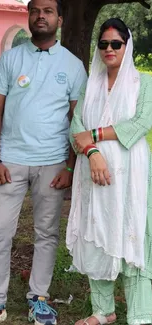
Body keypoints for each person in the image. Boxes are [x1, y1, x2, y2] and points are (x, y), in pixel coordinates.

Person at [0, 0, 87, 324]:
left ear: (59, 19)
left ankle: (39, 298)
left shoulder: (74, 66)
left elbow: (78, 120)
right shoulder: (9, 59)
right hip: (10, 161)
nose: (40, 16)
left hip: (52, 165)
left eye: (48, 11)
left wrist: (68, 166)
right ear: (29, 16)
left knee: (46, 233)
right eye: (35, 10)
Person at [66, 18, 152, 325]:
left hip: (130, 176)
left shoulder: (143, 83)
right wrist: (92, 153)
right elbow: (77, 127)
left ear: (127, 47)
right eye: (103, 44)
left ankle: (142, 313)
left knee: (132, 233)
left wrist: (96, 136)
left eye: (116, 43)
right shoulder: (89, 84)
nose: (109, 49)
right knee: (96, 233)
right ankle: (103, 311)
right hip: (92, 172)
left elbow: (141, 123)